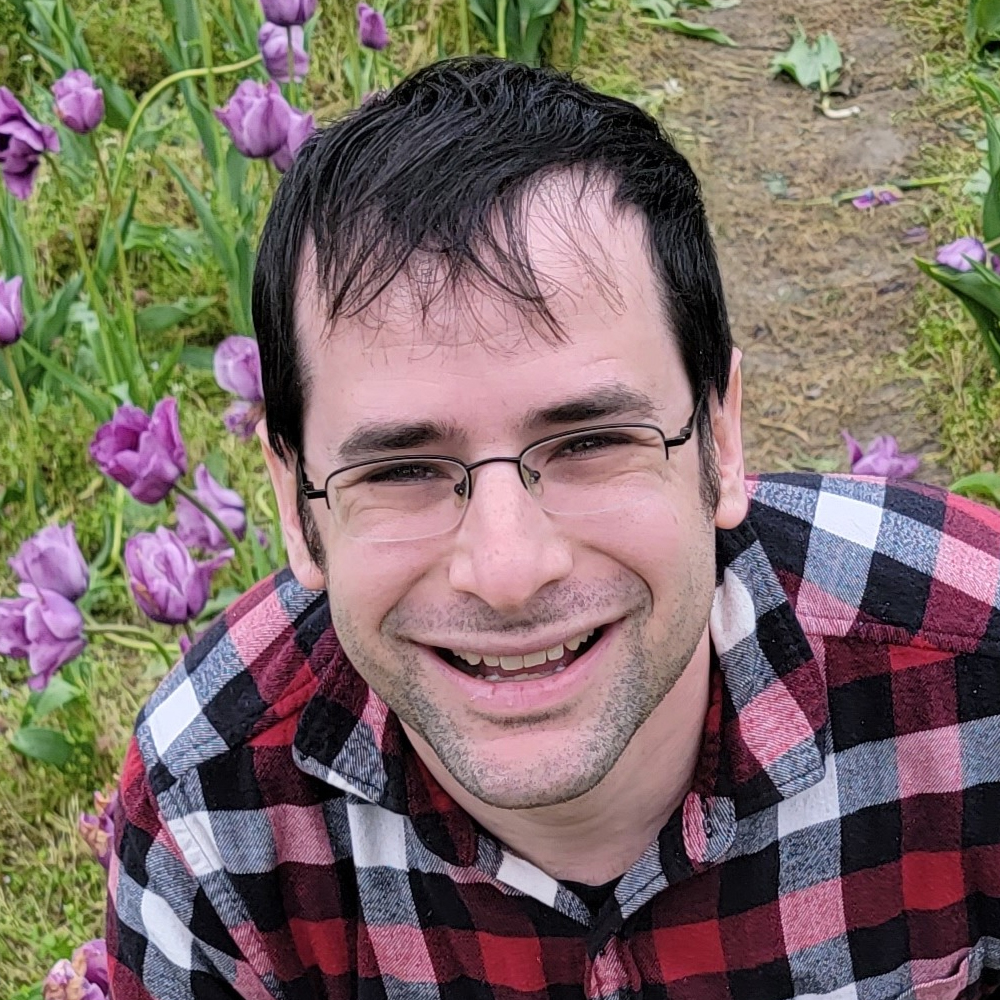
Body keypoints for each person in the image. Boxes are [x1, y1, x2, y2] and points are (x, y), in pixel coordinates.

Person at [107, 57, 1000, 1000]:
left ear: (722, 438)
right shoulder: (209, 815)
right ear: (296, 504)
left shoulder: (975, 676)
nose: (507, 570)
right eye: (402, 470)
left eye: (589, 443)